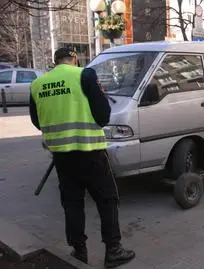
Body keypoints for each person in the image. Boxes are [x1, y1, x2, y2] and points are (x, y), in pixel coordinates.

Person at [29, 48, 135, 268]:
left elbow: (37, 121)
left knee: (72, 204)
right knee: (107, 199)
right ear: (74, 58)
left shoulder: (38, 84)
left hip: (61, 157)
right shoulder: (84, 75)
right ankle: (113, 250)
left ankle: (78, 252)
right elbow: (103, 116)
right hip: (90, 152)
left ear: (54, 62)